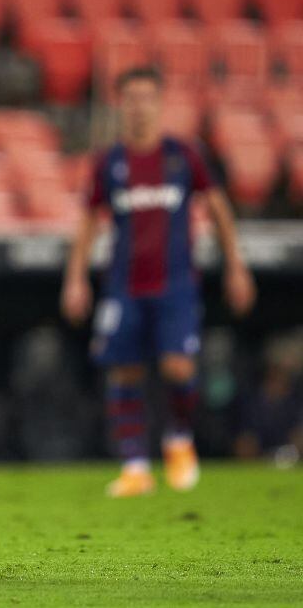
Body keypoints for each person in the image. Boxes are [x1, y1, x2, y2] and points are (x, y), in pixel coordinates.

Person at [61, 66, 256, 497]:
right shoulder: (109, 163)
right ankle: (135, 468)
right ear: (120, 105)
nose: (139, 107)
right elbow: (89, 222)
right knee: (124, 373)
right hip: (124, 286)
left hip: (177, 285)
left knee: (177, 367)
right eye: (131, 98)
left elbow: (219, 207)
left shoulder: (183, 156)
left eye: (147, 97)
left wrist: (235, 266)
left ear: (160, 102)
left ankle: (179, 440)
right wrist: (75, 279)